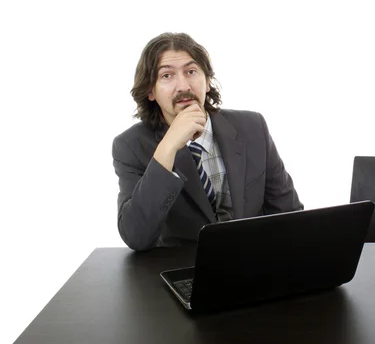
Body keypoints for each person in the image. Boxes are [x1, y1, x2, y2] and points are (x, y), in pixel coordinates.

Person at [112, 32, 303, 251]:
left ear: (208, 81)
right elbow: (136, 236)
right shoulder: (130, 146)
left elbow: (290, 214)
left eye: (191, 71)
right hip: (184, 269)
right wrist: (167, 148)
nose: (183, 86)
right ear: (150, 91)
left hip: (254, 264)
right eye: (167, 76)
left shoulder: (253, 126)